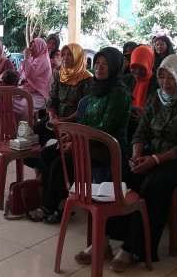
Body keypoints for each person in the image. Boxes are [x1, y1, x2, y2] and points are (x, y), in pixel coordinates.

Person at [75, 54, 177, 270]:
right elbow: (142, 131)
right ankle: (105, 241)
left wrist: (155, 160)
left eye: (171, 78)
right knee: (119, 175)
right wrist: (136, 155)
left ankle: (134, 248)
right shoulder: (156, 98)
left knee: (152, 185)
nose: (165, 83)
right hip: (149, 154)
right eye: (162, 76)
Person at [29, 47, 131, 223]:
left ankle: (52, 207)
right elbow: (85, 120)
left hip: (106, 148)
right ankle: (55, 202)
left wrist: (76, 144)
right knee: (46, 153)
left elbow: (103, 128)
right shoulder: (98, 89)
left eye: (105, 64)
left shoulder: (118, 94)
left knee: (61, 163)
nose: (99, 67)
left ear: (114, 67)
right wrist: (69, 137)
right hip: (87, 141)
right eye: (97, 63)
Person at [25, 43, 93, 178]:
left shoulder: (87, 78)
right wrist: (52, 116)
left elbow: (86, 107)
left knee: (55, 151)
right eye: (63, 55)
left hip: (74, 121)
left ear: (78, 57)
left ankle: (49, 176)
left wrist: (65, 120)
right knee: (33, 135)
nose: (65, 58)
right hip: (56, 117)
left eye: (70, 55)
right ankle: (38, 172)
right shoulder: (59, 74)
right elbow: (52, 99)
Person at [123, 44, 158, 143]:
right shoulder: (125, 80)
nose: (137, 72)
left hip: (150, 131)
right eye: (134, 67)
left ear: (149, 65)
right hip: (126, 127)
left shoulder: (158, 83)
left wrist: (145, 116)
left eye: (142, 68)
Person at [15, 37, 53, 122]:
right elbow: (20, 73)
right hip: (25, 91)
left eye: (34, 46)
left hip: (38, 94)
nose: (30, 48)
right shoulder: (32, 59)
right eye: (30, 46)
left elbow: (29, 74)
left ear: (41, 48)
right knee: (8, 102)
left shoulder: (43, 60)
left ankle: (23, 133)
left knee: (24, 109)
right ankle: (13, 131)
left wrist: (26, 57)